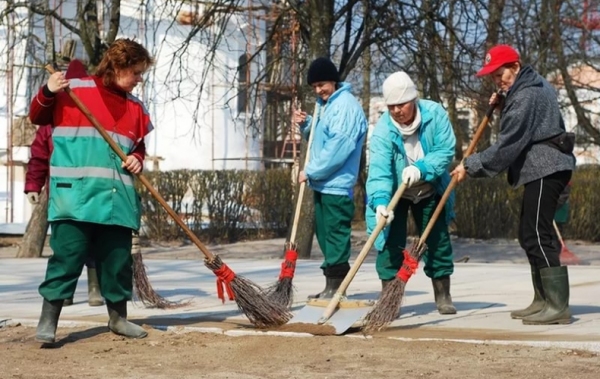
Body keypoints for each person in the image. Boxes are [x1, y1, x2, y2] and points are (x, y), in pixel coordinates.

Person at [29, 38, 155, 343]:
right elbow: (37, 116)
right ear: (118, 66)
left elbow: (138, 146)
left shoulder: (136, 108)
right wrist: (48, 90)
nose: (140, 79)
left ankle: (118, 318)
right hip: (75, 198)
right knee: (67, 258)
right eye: (136, 72)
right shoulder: (72, 91)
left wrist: (138, 158)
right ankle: (49, 320)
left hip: (117, 201)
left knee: (116, 261)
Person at [451, 45, 575, 325]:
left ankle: (557, 306)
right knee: (528, 233)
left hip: (547, 167)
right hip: (541, 167)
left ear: (516, 66)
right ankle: (542, 299)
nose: (498, 81)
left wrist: (469, 166)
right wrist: (504, 101)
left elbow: (508, 146)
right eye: (494, 77)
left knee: (537, 233)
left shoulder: (527, 94)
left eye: (501, 74)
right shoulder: (531, 84)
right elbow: (531, 123)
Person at [365, 71, 457, 315]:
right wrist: (381, 202)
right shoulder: (383, 129)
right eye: (392, 106)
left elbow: (445, 150)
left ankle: (443, 294)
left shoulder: (434, 114)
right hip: (397, 191)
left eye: (401, 104)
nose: (397, 111)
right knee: (388, 243)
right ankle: (389, 300)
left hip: (429, 186)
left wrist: (421, 168)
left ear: (413, 100)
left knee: (437, 241)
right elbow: (379, 170)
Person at [25, 60, 104, 308]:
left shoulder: (94, 120)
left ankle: (94, 289)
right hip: (63, 194)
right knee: (66, 247)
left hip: (90, 191)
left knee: (90, 243)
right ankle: (65, 292)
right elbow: (38, 156)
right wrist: (32, 186)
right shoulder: (50, 123)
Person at [293, 57, 367, 299]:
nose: (318, 90)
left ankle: (337, 288)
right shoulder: (327, 105)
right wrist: (307, 125)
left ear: (333, 81)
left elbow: (337, 149)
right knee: (325, 236)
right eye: (314, 86)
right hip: (324, 184)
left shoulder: (345, 106)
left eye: (322, 84)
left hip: (336, 184)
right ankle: (330, 286)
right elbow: (321, 137)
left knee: (335, 236)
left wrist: (311, 171)